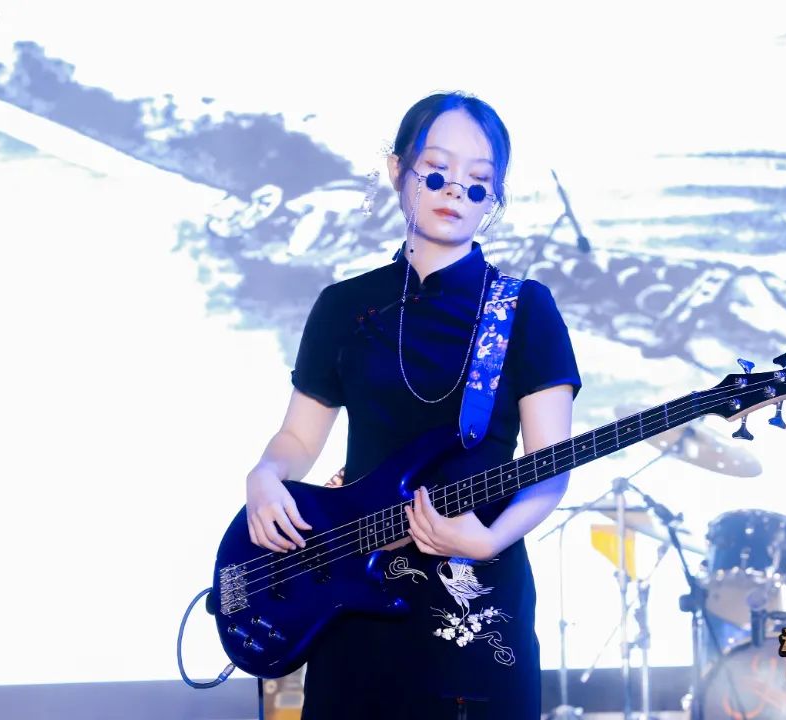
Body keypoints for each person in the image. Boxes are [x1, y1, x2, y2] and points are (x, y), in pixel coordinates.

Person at [244, 92, 581, 719]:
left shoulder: (525, 309)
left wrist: (489, 540)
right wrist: (265, 476)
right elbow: (298, 439)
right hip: (351, 600)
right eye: (436, 169)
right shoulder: (344, 306)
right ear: (398, 169)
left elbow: (550, 467)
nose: (455, 190)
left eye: (478, 181)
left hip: (474, 605)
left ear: (494, 197)